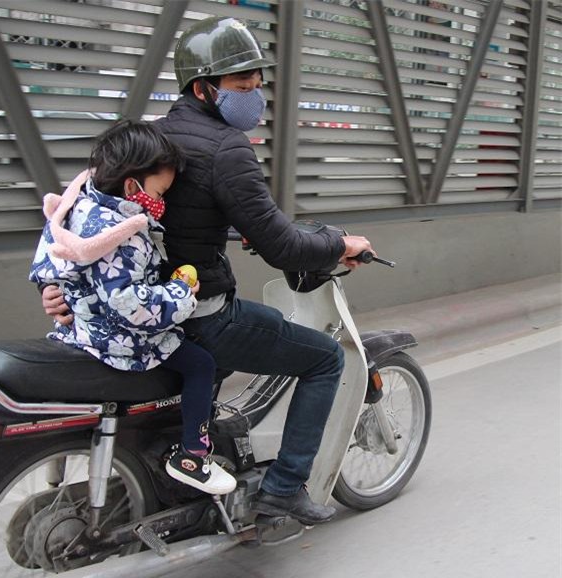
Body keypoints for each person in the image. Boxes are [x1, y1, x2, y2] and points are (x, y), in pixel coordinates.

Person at [42, 17, 374, 525]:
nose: (254, 97)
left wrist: (56, 284)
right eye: (242, 86)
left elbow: (80, 215)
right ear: (203, 88)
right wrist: (339, 243)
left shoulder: (149, 138)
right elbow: (282, 245)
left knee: (227, 361)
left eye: (258, 84)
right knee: (325, 358)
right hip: (199, 313)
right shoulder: (227, 147)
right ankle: (283, 490)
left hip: (139, 315)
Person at [30, 120, 236, 495]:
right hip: (118, 339)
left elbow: (50, 253)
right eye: (160, 192)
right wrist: (181, 293)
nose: (162, 203)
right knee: (201, 364)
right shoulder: (121, 234)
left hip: (78, 330)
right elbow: (132, 308)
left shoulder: (79, 203)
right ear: (131, 186)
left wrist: (49, 286)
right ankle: (192, 456)